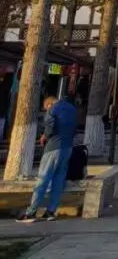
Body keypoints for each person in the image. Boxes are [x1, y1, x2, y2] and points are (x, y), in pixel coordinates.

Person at [17, 95, 78, 223]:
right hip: (67, 148)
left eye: (46, 108)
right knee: (58, 181)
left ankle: (31, 212)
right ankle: (50, 211)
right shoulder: (72, 109)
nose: (46, 110)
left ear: (49, 104)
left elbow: (50, 126)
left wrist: (44, 136)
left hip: (53, 147)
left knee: (43, 179)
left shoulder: (53, 109)